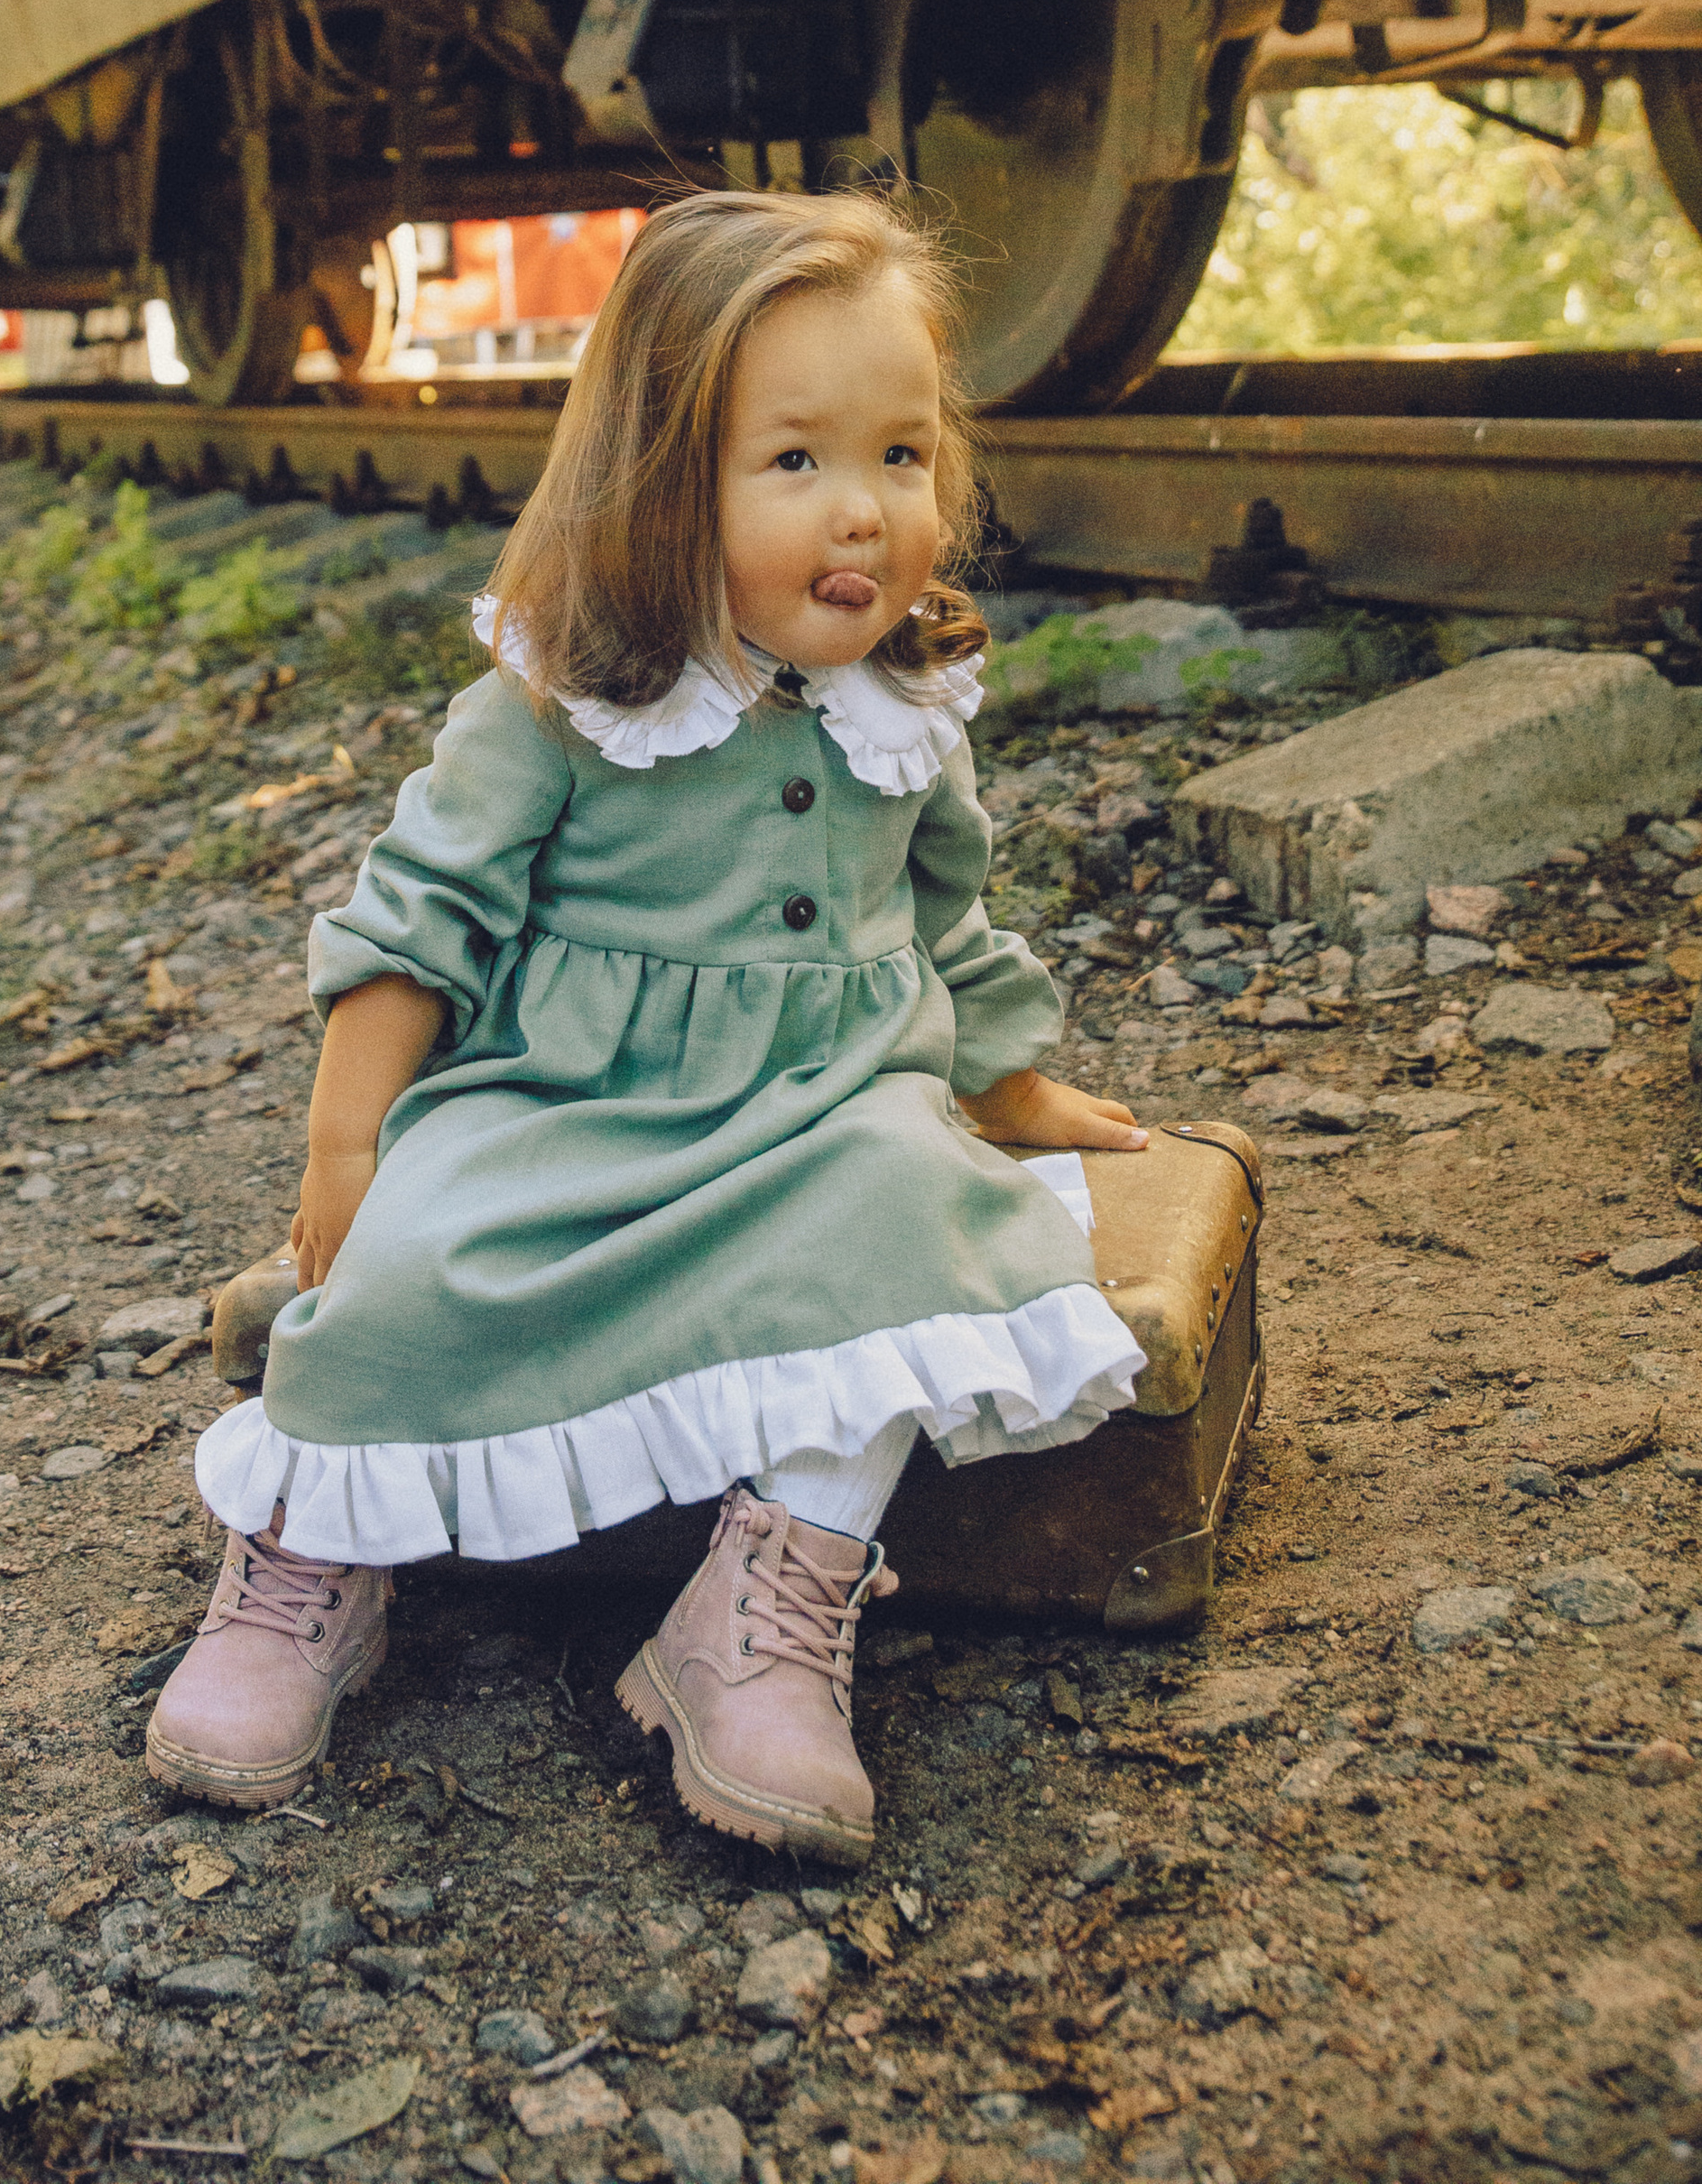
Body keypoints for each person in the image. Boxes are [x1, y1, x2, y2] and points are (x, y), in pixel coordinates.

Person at [146, 184, 1147, 1865]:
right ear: (663, 478)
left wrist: (1012, 1083)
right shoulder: (563, 695)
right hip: (564, 1103)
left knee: (914, 1230)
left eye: (904, 456)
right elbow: (417, 916)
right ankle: (314, 1558)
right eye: (796, 460)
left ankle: (760, 1617)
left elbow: (945, 916)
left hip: (828, 1109)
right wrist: (349, 1143)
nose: (865, 510)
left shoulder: (903, 703)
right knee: (408, 1273)